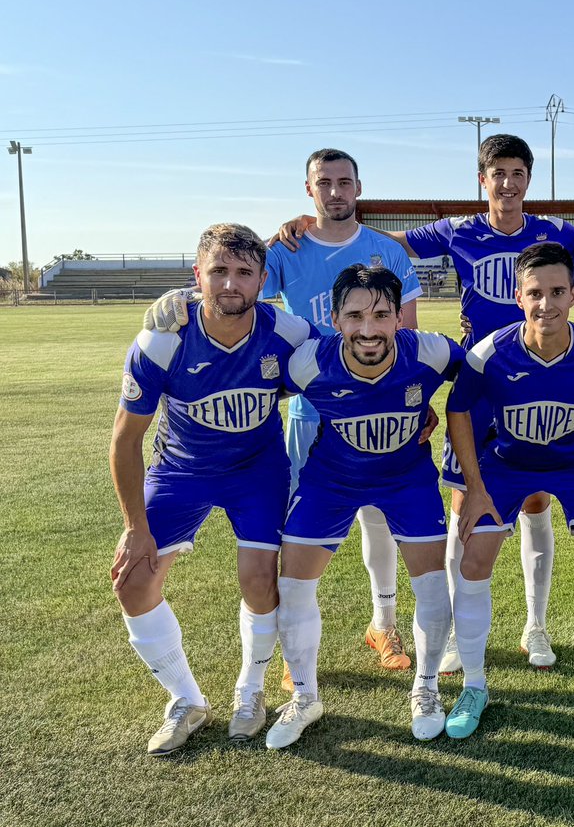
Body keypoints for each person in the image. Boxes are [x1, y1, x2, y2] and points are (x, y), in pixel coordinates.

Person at [276, 134, 574, 674]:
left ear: (528, 180)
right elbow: (395, 242)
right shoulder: (458, 230)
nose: (508, 183)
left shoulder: (555, 233)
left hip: (544, 379)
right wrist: (319, 223)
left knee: (537, 504)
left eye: (518, 173)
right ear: (483, 180)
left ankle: (534, 626)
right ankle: (450, 637)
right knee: (466, 511)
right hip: (481, 382)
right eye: (499, 173)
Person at [143, 149, 424, 677]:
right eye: (325, 183)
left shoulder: (387, 251)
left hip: (371, 410)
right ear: (309, 189)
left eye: (345, 182)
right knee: (295, 534)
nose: (335, 191)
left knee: (378, 518)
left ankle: (384, 624)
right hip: (306, 415)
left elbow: (402, 338)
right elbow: (232, 292)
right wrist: (179, 296)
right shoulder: (286, 251)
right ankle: (295, 647)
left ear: (359, 188)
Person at [110, 224, 315, 754]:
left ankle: (251, 691)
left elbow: (348, 359)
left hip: (258, 470)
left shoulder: (288, 333)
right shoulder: (161, 340)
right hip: (181, 471)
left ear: (262, 280)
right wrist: (136, 528)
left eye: (244, 272)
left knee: (259, 579)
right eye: (218, 270)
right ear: (196, 275)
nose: (230, 283)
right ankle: (186, 699)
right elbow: (125, 440)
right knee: (133, 583)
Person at [442, 242, 574, 737]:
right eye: (535, 293)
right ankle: (475, 684)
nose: (545, 304)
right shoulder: (490, 353)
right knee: (473, 559)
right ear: (517, 296)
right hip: (506, 463)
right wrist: (477, 486)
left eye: (556, 292)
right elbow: (458, 410)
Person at [265, 265, 462, 748]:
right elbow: (250, 375)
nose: (368, 329)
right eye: (354, 315)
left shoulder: (430, 352)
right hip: (332, 479)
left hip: (407, 480)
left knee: (433, 582)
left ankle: (427, 687)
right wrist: (186, 306)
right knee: (292, 584)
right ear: (334, 319)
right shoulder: (309, 362)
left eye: (380, 314)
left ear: (399, 318)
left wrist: (446, 416)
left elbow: (485, 376)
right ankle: (305, 696)